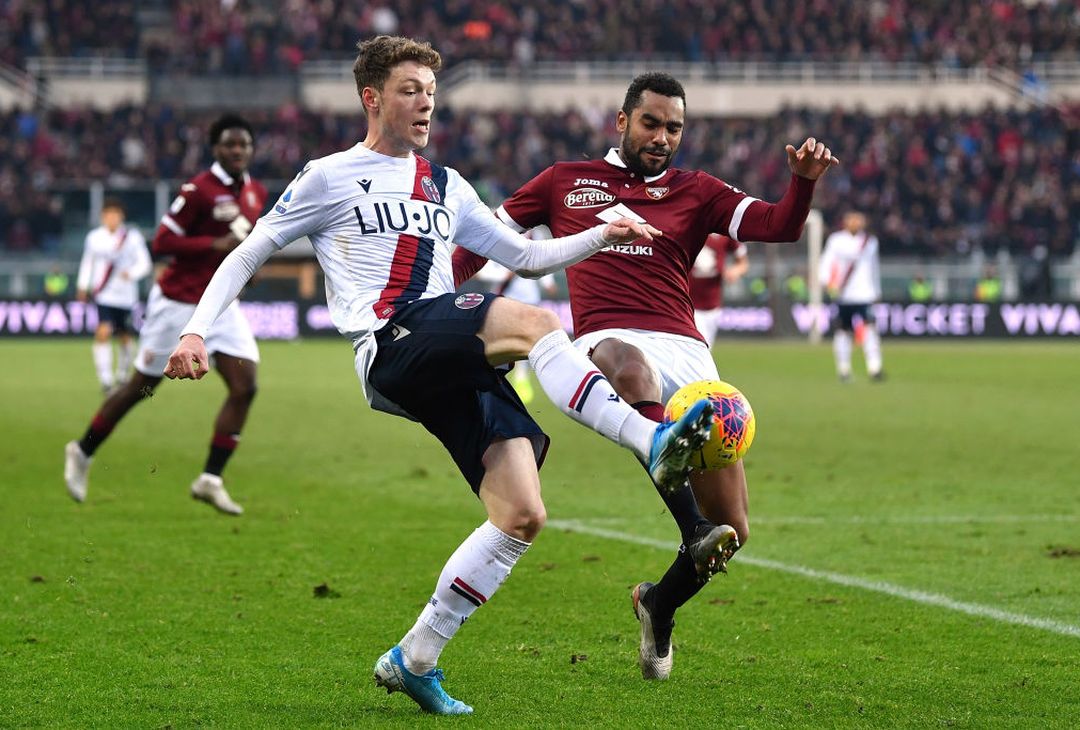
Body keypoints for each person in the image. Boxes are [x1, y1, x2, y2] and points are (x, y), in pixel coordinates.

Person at [162, 37, 714, 715]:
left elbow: (524, 255)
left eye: (430, 89)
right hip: (393, 340)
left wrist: (602, 233)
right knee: (537, 324)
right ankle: (651, 441)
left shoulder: (446, 184)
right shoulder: (328, 176)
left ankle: (415, 658)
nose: (426, 102)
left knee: (520, 513)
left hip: (445, 351)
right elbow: (248, 253)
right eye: (409, 89)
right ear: (372, 98)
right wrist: (195, 327)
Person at [454, 72, 839, 681]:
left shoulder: (698, 189)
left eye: (674, 128)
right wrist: (428, 294)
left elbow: (779, 225)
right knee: (633, 374)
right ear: (622, 121)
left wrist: (803, 183)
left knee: (733, 530)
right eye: (652, 123)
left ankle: (658, 604)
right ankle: (691, 527)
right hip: (607, 338)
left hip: (689, 352)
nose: (662, 137)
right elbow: (481, 239)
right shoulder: (564, 181)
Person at [64, 114, 268, 515]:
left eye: (244, 144)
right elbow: (163, 241)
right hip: (176, 303)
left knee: (245, 386)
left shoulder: (255, 192)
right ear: (216, 148)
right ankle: (82, 450)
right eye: (230, 144)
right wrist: (214, 242)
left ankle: (210, 478)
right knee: (143, 387)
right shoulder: (198, 191)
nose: (238, 151)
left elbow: (244, 246)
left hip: (221, 303)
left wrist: (247, 271)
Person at [75, 198, 152, 393]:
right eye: (108, 214)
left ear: (121, 216)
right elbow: (88, 262)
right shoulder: (94, 237)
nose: (112, 218)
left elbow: (145, 263)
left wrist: (132, 273)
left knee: (125, 337)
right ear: (102, 217)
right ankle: (106, 379)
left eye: (115, 214)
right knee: (103, 332)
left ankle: (123, 374)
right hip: (104, 295)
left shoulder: (132, 237)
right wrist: (83, 285)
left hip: (126, 296)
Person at [819, 211, 884, 382]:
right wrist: (825, 281)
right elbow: (827, 260)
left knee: (870, 329)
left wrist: (876, 291)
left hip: (864, 293)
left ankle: (874, 367)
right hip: (844, 294)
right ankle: (843, 368)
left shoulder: (870, 242)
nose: (856, 223)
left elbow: (874, 267)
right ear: (846, 222)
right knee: (843, 331)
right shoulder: (836, 240)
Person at [690, 233, 749, 347]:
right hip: (688, 303)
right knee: (699, 347)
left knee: (706, 346)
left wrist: (735, 271)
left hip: (713, 304)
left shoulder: (724, 232)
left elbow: (743, 262)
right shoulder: (690, 227)